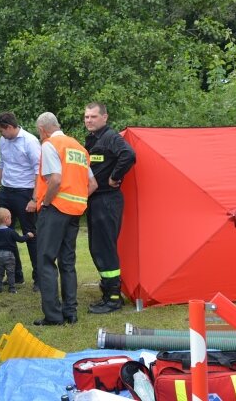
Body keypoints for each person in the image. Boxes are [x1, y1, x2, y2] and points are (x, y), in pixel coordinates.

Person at [30, 112, 97, 326]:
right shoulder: (79, 148)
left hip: (55, 209)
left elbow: (55, 179)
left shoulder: (50, 145)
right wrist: (77, 200)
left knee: (46, 261)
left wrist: (46, 203)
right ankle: (71, 312)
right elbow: (93, 184)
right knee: (68, 262)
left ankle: (53, 316)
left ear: (42, 130)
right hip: (75, 211)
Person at [83, 102, 136, 314]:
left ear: (105, 117)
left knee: (104, 249)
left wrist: (115, 176)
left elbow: (129, 155)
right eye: (86, 117)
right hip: (97, 201)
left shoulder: (110, 137)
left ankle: (113, 297)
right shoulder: (93, 139)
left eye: (93, 117)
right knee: (98, 248)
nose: (89, 120)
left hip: (107, 199)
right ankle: (109, 292)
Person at [0, 112, 41, 291]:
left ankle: (39, 279)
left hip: (25, 193)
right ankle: (16, 275)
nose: (0, 134)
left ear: (10, 127)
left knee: (31, 235)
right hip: (6, 192)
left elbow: (38, 171)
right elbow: (1, 164)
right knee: (6, 235)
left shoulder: (30, 141)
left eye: (1, 131)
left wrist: (35, 198)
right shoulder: (3, 141)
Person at [0, 207, 34, 293]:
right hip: (9, 255)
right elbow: (20, 239)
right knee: (10, 272)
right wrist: (28, 235)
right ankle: (12, 289)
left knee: (0, 273)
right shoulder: (10, 231)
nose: (11, 219)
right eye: (10, 217)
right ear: (6, 219)